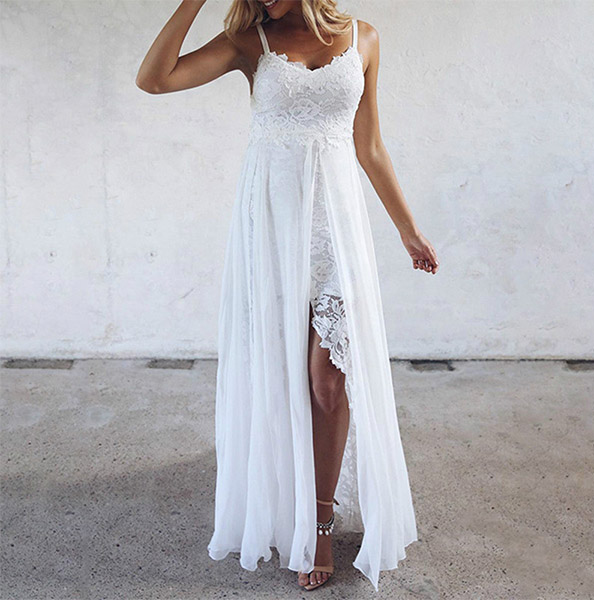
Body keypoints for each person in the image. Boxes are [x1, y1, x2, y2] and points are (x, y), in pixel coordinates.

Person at [137, 0, 439, 592]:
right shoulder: (250, 41)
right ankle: (288, 494)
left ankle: (321, 519)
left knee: (329, 381)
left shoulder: (364, 38)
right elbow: (155, 79)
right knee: (280, 375)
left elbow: (370, 145)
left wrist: (407, 229)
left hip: (336, 229)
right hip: (272, 228)